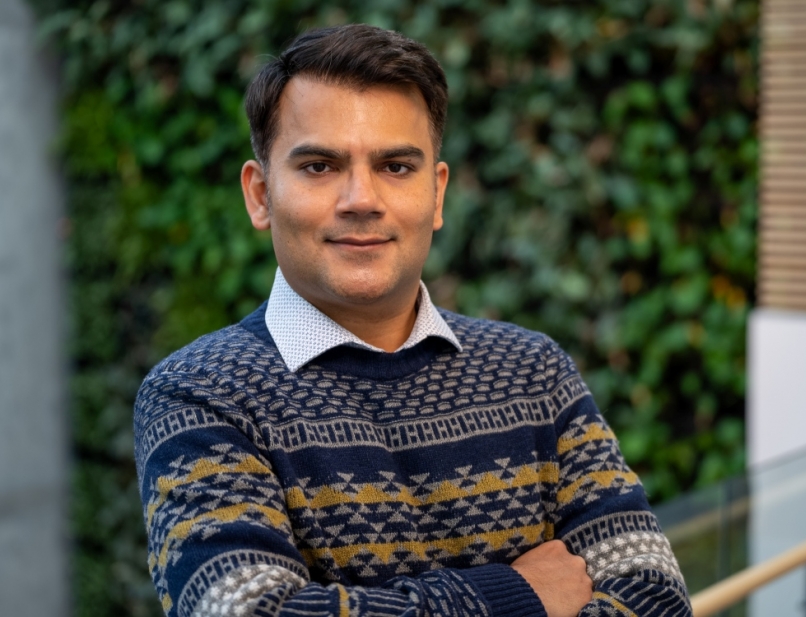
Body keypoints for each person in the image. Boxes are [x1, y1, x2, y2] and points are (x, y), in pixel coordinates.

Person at [134, 23, 691, 617]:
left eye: (396, 166)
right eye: (320, 166)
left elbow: (655, 595)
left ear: (438, 193)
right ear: (260, 195)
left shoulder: (535, 374)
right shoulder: (199, 396)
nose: (361, 198)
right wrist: (518, 595)